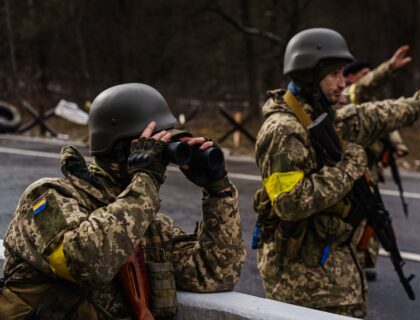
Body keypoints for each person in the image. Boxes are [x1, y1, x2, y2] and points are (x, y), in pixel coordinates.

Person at [0, 83, 246, 319]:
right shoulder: (48, 197)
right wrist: (145, 180)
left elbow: (215, 273)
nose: (161, 155)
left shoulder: (148, 225)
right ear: (122, 148)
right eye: (154, 144)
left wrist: (218, 191)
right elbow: (85, 263)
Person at [253, 28, 420, 318]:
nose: (344, 82)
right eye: (335, 74)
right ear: (310, 74)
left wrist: (418, 103)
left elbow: (379, 113)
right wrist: (351, 166)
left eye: (343, 74)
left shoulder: (327, 117)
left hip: (332, 275)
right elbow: (289, 202)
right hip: (303, 286)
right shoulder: (283, 130)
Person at [343, 47, 413, 281]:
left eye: (368, 72)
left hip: (370, 167)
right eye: (363, 73)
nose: (367, 76)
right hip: (353, 167)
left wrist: (397, 144)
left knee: (373, 219)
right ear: (351, 77)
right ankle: (350, 261)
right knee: (357, 218)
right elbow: (366, 86)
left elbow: (387, 124)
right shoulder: (350, 94)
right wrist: (389, 68)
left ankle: (362, 263)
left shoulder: (368, 100)